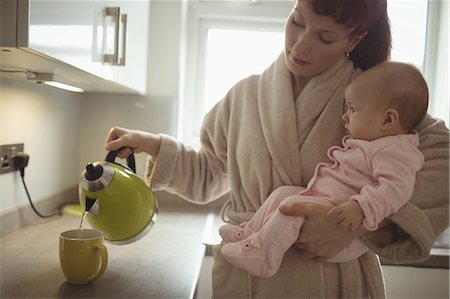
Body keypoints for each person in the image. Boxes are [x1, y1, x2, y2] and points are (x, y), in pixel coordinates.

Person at [105, 0, 449, 297]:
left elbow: (443, 159)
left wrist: (358, 222)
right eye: (297, 20)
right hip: (247, 282)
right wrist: (155, 146)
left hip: (330, 283)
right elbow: (210, 173)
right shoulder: (243, 96)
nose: (300, 45)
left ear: (353, 40)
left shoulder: (370, 98)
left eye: (324, 37)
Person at [218, 61, 427, 278]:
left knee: (294, 207)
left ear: (388, 119)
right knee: (283, 194)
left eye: (353, 109)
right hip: (327, 203)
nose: (345, 116)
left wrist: (361, 208)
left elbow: (397, 188)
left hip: (342, 225)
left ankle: (263, 256)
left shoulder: (396, 151)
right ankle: (251, 233)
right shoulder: (375, 143)